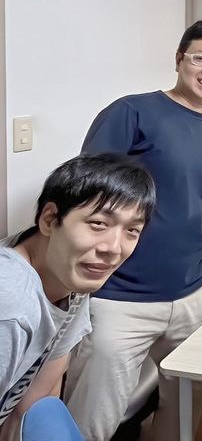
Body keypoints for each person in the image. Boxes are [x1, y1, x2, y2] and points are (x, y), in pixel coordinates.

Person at [64, 21, 202, 441]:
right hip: (121, 296)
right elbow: (84, 192)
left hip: (195, 290)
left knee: (187, 399)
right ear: (179, 59)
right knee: (94, 416)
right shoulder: (132, 112)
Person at [0, 154, 155, 441]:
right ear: (50, 219)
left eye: (132, 230)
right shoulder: (11, 304)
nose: (113, 248)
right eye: (98, 223)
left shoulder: (70, 276)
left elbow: (38, 400)